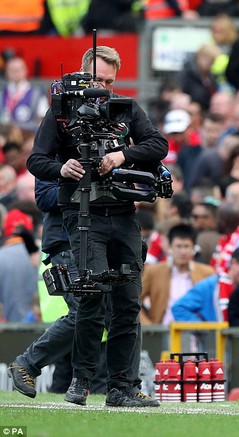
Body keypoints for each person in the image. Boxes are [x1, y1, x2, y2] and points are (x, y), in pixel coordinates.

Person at [26, 46, 168, 407]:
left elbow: (158, 144)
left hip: (122, 213)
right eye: (96, 79)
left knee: (127, 303)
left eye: (109, 80)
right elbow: (36, 160)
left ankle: (122, 387)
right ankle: (81, 381)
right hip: (82, 212)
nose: (102, 87)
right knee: (91, 299)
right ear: (82, 75)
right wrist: (62, 168)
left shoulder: (126, 107)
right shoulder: (60, 114)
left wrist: (122, 154)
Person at [8, 180, 157, 406]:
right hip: (69, 241)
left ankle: (127, 387)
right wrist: (88, 186)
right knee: (87, 310)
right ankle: (28, 363)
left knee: (124, 310)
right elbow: (45, 198)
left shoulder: (109, 152)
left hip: (109, 239)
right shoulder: (59, 154)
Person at [140, 223, 216, 325]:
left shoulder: (207, 273)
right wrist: (148, 326)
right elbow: (135, 300)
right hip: (162, 333)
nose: (183, 251)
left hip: (197, 333)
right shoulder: (154, 271)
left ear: (193, 248)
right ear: (170, 247)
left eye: (186, 246)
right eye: (178, 246)